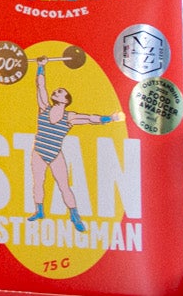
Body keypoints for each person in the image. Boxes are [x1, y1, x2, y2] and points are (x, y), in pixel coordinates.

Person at [29, 53, 119, 232]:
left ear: (65, 100)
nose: (57, 91)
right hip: (38, 151)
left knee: (64, 185)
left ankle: (74, 214)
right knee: (38, 182)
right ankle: (39, 210)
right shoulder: (44, 108)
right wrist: (41, 66)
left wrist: (109, 118)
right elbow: (41, 86)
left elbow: (89, 118)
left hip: (55, 154)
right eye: (57, 91)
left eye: (61, 92)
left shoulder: (70, 117)